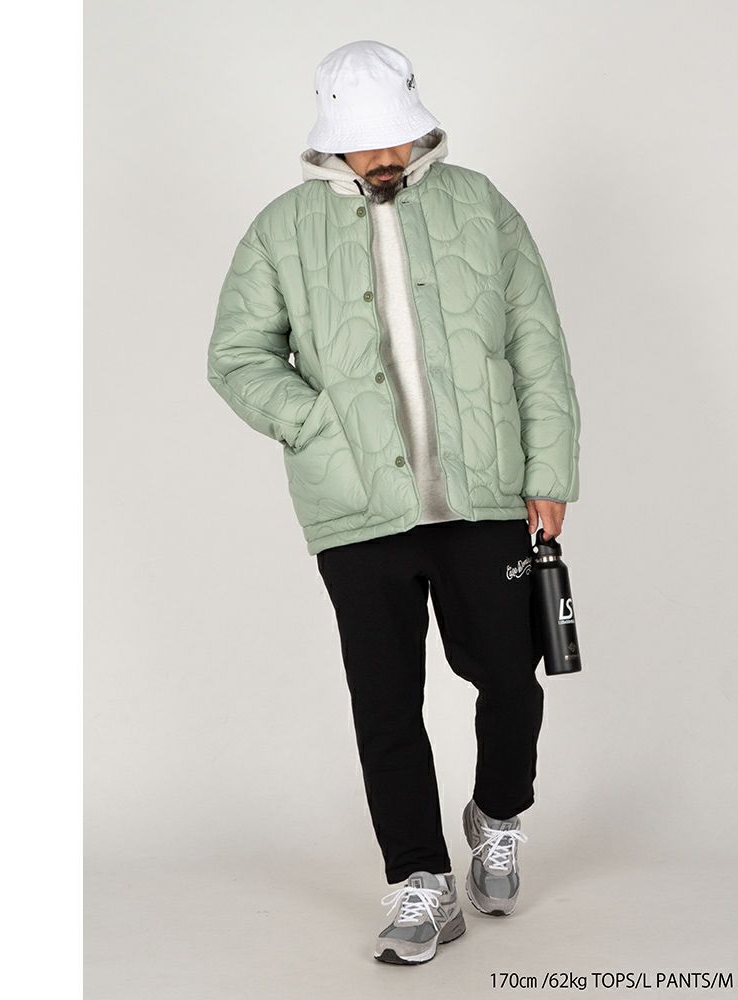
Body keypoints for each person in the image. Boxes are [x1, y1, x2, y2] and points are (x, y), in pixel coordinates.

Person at [206, 39, 581, 965]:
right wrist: (317, 424)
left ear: (420, 131)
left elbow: (536, 341)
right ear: (329, 143)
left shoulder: (480, 205)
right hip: (356, 507)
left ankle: (498, 812)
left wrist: (549, 472)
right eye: (365, 144)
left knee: (510, 676)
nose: (384, 158)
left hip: (484, 496)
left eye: (397, 140)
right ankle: (421, 880)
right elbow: (237, 355)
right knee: (385, 702)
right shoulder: (281, 230)